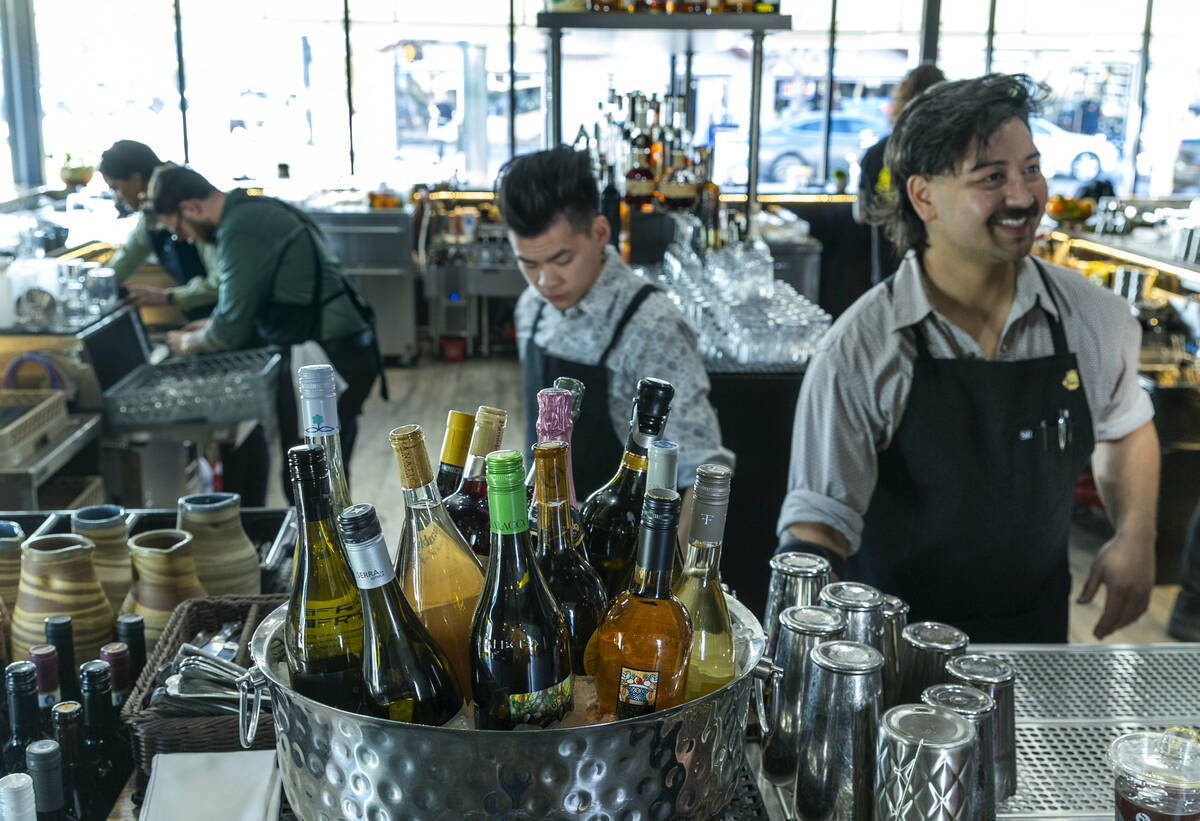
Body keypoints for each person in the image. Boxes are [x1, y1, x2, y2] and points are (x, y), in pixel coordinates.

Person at [777, 73, 1159, 643]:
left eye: (1031, 168)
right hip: (894, 660)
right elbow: (817, 527)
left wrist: (1135, 534)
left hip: (1035, 643)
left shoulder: (1092, 318)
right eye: (992, 177)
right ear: (923, 196)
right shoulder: (863, 348)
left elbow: (1125, 428)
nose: (1023, 195)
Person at [498, 146, 733, 510]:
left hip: (618, 549)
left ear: (600, 232)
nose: (545, 281)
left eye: (562, 259)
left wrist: (680, 564)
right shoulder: (532, 307)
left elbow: (699, 469)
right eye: (528, 264)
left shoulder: (651, 324)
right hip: (545, 535)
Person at [145, 163, 385, 496]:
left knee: (312, 480)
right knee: (328, 472)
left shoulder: (239, 228)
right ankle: (330, 543)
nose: (184, 238)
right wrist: (214, 321)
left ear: (191, 208)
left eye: (178, 229)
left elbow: (227, 332)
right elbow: (241, 296)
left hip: (325, 357)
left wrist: (183, 343)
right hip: (346, 348)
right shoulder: (254, 208)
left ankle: (324, 546)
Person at [97, 140, 219, 317]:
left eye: (115, 187)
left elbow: (220, 283)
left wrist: (168, 297)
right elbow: (126, 258)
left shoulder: (190, 208)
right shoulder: (149, 217)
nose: (117, 198)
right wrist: (97, 286)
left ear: (136, 179)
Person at [856, 64, 947, 285]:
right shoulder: (949, 153)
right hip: (945, 277)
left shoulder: (877, 153)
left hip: (889, 276)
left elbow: (861, 214)